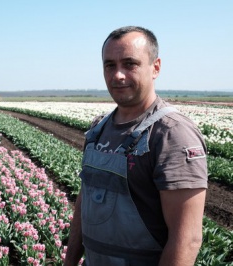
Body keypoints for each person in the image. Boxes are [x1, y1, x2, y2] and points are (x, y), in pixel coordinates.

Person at [64, 26, 208, 266]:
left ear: (156, 68)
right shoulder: (99, 128)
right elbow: (85, 202)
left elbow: (187, 240)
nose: (118, 75)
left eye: (130, 64)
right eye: (110, 65)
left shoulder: (172, 135)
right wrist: (70, 262)